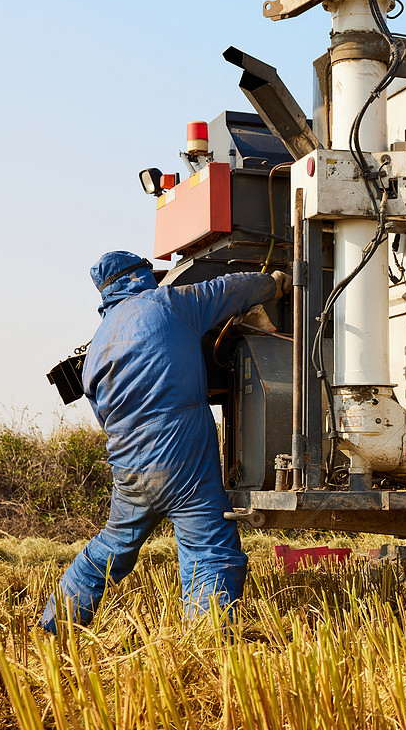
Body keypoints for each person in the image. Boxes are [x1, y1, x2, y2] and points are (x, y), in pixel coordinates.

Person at [40, 251, 290, 634]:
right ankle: (206, 639)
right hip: (179, 455)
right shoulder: (167, 303)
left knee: (113, 546)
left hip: (128, 464)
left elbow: (104, 417)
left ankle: (57, 626)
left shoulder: (95, 349)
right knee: (208, 547)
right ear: (140, 276)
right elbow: (229, 289)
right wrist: (273, 282)